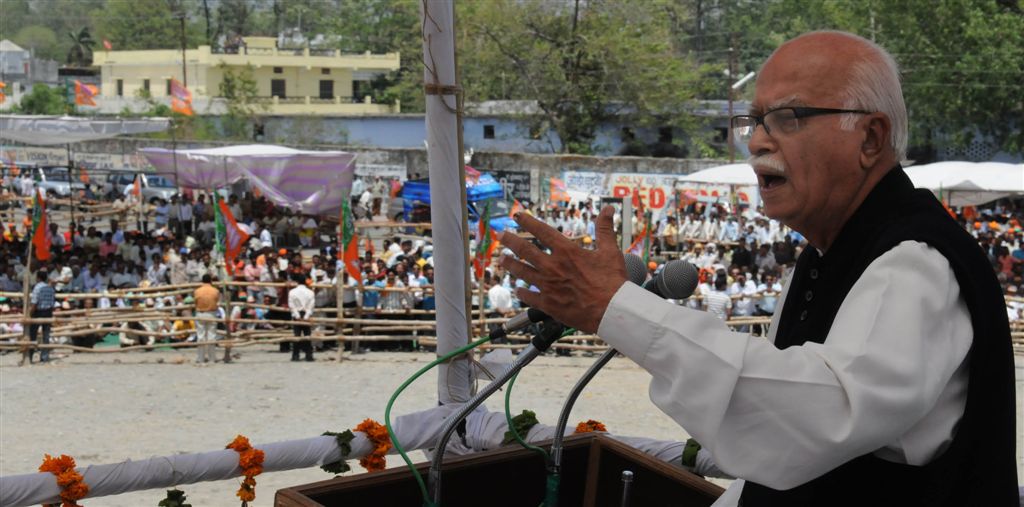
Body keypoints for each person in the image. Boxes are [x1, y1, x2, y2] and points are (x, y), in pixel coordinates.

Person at [498, 31, 1016, 505]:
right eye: (754, 121)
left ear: (870, 139)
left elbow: (816, 421)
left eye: (788, 118)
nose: (758, 142)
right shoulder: (822, 257)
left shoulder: (916, 263)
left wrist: (619, 310)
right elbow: (773, 460)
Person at [26, 270, 56, 364]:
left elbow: (34, 303)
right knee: (46, 335)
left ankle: (30, 356)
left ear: (38, 278)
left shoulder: (37, 287)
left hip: (38, 312)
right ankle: (45, 357)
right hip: (48, 312)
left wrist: (29, 314)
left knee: (32, 334)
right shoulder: (50, 288)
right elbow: (52, 303)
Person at [193, 274, 220, 364]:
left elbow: (195, 302)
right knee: (211, 336)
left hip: (200, 313)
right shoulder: (215, 291)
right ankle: (212, 358)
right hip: (211, 313)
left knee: (200, 336)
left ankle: (200, 358)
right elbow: (217, 301)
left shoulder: (197, 291)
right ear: (211, 281)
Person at [289, 278, 316, 361]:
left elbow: (291, 305)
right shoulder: (310, 292)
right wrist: (306, 316)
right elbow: (311, 305)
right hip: (306, 313)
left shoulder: (292, 292)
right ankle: (309, 355)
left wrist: (297, 316)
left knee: (296, 335)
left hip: (297, 313)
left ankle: (295, 355)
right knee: (307, 335)